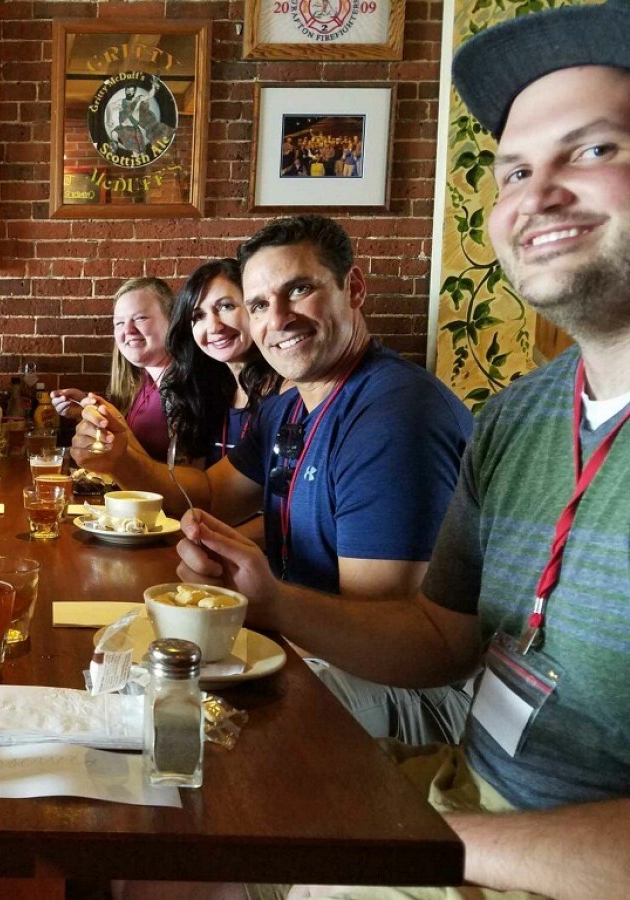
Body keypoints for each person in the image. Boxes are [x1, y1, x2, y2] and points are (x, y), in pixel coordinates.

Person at [181, 3, 630, 897]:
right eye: (515, 170)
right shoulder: (519, 418)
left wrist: (419, 840)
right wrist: (268, 596)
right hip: (465, 791)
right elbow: (441, 639)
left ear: (353, 292)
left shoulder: (398, 410)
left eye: (594, 149)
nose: (538, 195)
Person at [73, 216, 475, 745]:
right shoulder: (287, 408)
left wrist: (268, 604)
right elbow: (211, 494)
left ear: (354, 288)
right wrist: (121, 457)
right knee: (121, 678)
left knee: (183, 724)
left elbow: (392, 637)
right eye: (260, 304)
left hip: (415, 688)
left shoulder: (391, 415)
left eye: (299, 290)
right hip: (316, 647)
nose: (278, 319)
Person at [161, 258, 283, 467]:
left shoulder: (285, 394)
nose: (214, 327)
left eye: (226, 306)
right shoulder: (207, 394)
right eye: (198, 316)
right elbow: (196, 480)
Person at [53, 276, 175, 460]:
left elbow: (184, 474)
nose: (128, 330)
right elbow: (125, 444)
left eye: (140, 318)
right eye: (119, 323)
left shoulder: (186, 388)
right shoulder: (141, 380)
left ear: (172, 320)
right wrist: (88, 409)